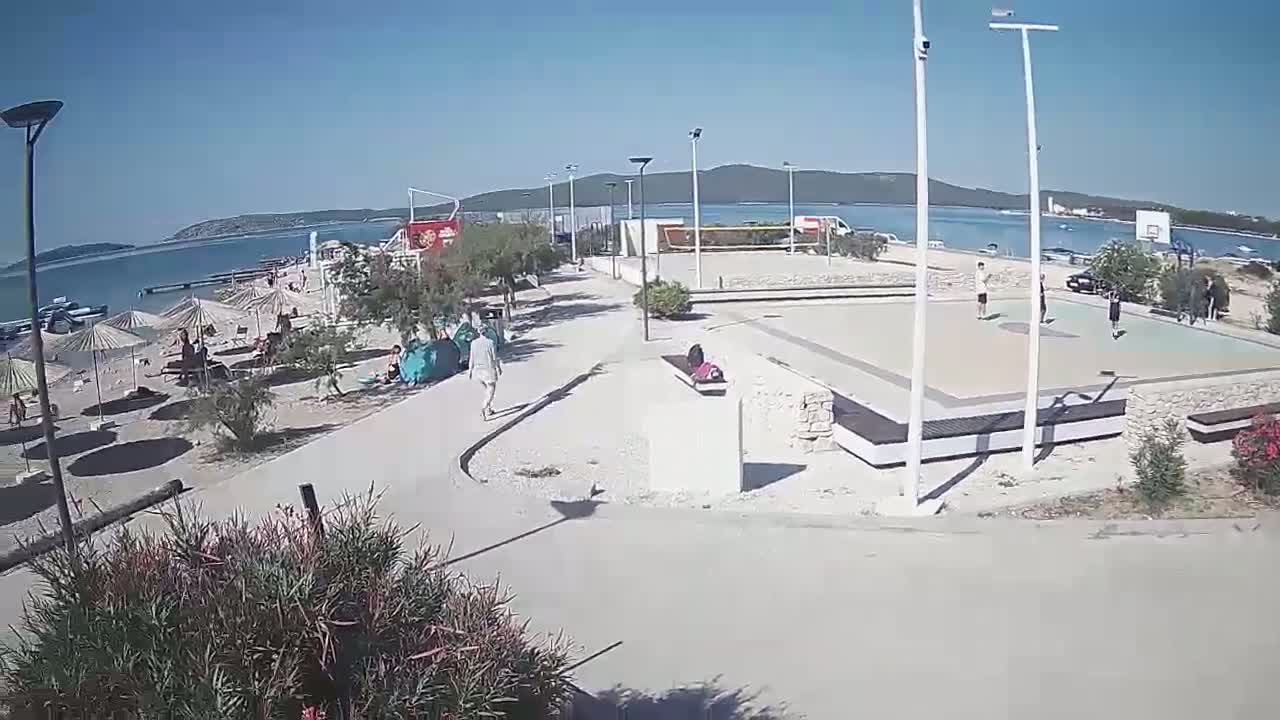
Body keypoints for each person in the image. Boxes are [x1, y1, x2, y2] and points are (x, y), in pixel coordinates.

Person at [468, 329, 501, 420]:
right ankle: (483, 408)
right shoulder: (490, 342)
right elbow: (494, 357)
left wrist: (470, 371)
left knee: (486, 390)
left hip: (477, 371)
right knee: (491, 389)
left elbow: (472, 358)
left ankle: (489, 409)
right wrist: (498, 368)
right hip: (488, 370)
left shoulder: (473, 343)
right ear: (486, 332)